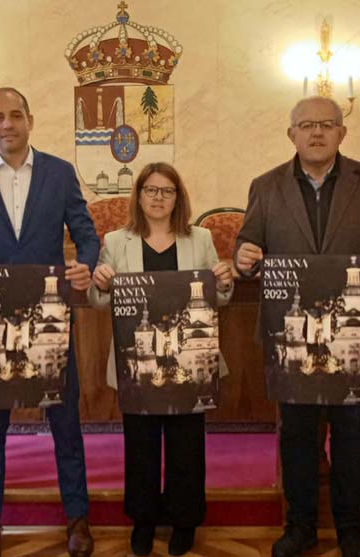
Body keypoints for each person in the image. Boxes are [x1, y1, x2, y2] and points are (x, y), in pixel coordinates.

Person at [234, 96, 360, 557]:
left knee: (352, 433)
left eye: (326, 125)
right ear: (291, 134)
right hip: (292, 334)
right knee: (298, 434)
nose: (316, 133)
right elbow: (248, 244)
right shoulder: (265, 186)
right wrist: (243, 257)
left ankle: (351, 529)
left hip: (354, 332)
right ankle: (300, 528)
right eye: (306, 125)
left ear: (341, 133)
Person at [0, 87, 98, 557]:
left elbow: (86, 236)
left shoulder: (59, 172)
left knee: (65, 422)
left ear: (30, 119)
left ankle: (78, 520)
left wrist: (85, 264)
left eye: (15, 116)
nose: (7, 124)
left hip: (50, 315)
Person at [88, 162, 234, 556]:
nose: (157, 197)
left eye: (166, 191)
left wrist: (223, 281)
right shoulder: (116, 241)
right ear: (138, 196)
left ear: (178, 198)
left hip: (190, 359)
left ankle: (185, 521)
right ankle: (144, 519)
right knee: (142, 445)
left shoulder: (200, 238)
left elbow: (217, 298)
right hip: (138, 363)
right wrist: (100, 283)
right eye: (150, 190)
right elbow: (101, 302)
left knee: (187, 445)